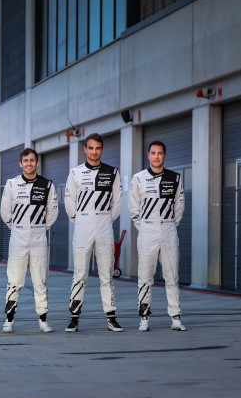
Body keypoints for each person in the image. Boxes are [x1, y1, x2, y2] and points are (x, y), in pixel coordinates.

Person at [64, 133, 124, 332]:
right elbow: (69, 201)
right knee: (79, 274)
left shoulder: (112, 172)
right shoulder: (75, 173)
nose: (94, 151)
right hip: (83, 225)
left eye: (97, 148)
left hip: (104, 226)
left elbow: (117, 202)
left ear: (102, 150)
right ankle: (74, 318)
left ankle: (111, 318)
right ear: (85, 149)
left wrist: (105, 218)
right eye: (90, 148)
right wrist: (80, 219)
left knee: (106, 275)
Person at [129, 140, 187, 332]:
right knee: (145, 277)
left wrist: (169, 223)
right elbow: (133, 208)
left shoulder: (175, 178)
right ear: (148, 155)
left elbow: (179, 207)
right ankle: (144, 318)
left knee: (172, 276)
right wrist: (145, 226)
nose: (156, 156)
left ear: (164, 155)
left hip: (169, 230)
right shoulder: (138, 179)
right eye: (153, 153)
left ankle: (176, 318)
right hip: (147, 230)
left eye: (160, 153)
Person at [0, 148, 58, 333]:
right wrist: (18, 227)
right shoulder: (11, 184)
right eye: (26, 160)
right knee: (14, 280)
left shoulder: (47, 185)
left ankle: (43, 320)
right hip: (18, 238)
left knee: (40, 280)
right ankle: (9, 320)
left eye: (32, 160)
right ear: (20, 163)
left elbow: (52, 213)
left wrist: (38, 227)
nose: (29, 163)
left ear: (37, 163)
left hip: (39, 237)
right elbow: (5, 212)